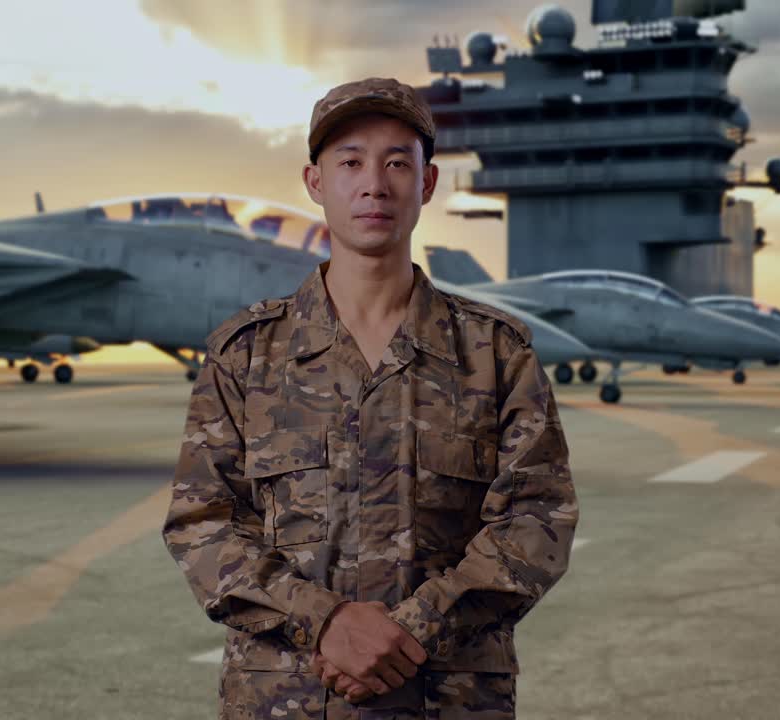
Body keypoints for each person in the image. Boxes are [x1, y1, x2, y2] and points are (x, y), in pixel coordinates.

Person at [163, 76, 579, 719]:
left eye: (396, 163)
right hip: (285, 699)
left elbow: (536, 520)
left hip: (449, 700)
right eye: (350, 162)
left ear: (428, 183)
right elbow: (204, 524)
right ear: (314, 182)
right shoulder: (244, 355)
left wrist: (413, 629)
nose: (374, 185)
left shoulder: (496, 353)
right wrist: (324, 623)